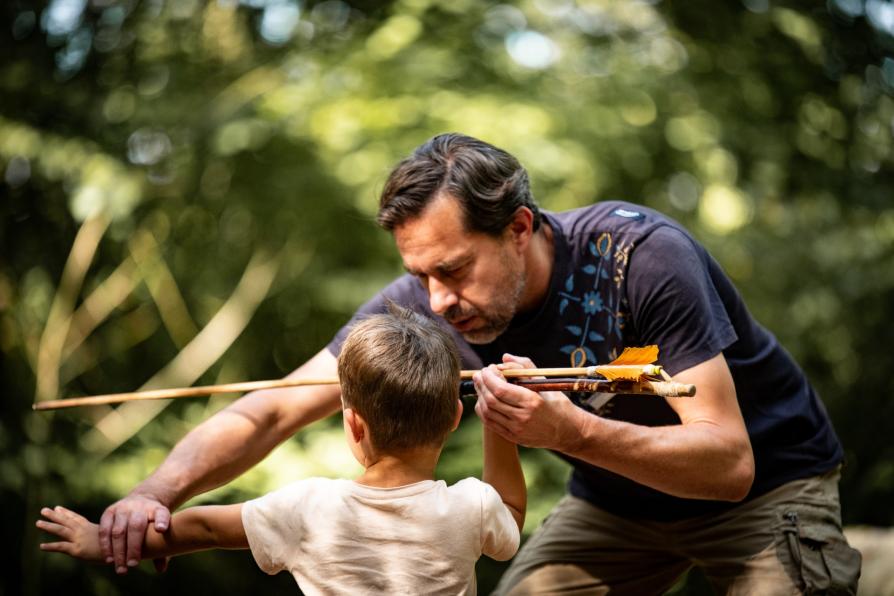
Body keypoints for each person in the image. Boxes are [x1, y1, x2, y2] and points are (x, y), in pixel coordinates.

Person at [100, 133, 861, 594]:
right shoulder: (422, 302)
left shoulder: (641, 258)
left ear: (520, 228)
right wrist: (153, 493)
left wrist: (571, 434)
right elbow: (270, 407)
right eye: (421, 274)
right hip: (619, 506)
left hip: (767, 493)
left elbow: (727, 463)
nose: (436, 302)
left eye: (455, 270)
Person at [38, 305, 526, 593]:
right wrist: (499, 421)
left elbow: (203, 527)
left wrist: (103, 543)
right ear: (456, 417)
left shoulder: (305, 508)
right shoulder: (471, 507)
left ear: (352, 424)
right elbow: (510, 514)